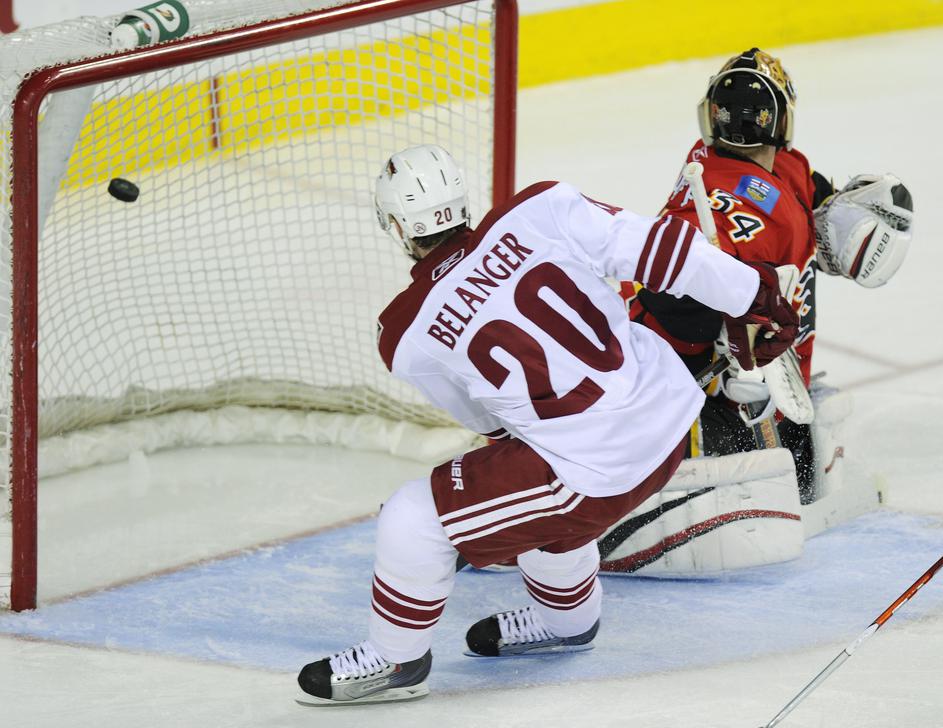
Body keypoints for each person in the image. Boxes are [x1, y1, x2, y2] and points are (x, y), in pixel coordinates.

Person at [296, 143, 799, 706]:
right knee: (536, 501)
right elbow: (660, 248)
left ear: (395, 225)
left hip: (597, 469)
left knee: (413, 519)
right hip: (670, 419)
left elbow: (491, 423)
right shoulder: (540, 207)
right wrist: (755, 294)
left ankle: (396, 660)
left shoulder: (404, 332)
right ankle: (567, 623)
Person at [620, 48, 913, 504]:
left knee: (792, 453)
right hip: (697, 384)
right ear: (782, 120)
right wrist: (719, 310)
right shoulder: (714, 206)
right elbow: (669, 290)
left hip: (772, 369)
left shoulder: (761, 165)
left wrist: (845, 213)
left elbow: (807, 193)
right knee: (742, 462)